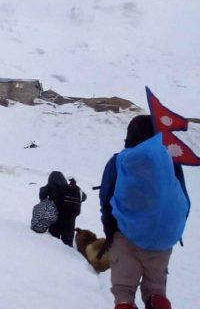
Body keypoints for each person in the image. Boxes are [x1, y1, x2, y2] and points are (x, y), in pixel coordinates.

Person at [98, 115, 190, 309]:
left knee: (124, 291)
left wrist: (110, 230)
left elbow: (106, 198)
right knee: (156, 291)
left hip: (126, 234)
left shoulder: (119, 160)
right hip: (163, 239)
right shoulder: (170, 162)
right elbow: (183, 199)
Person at [39, 171, 86, 247]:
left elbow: (42, 195)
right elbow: (84, 197)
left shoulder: (50, 187)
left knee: (53, 243)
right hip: (70, 219)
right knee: (68, 245)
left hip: (56, 219)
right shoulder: (71, 188)